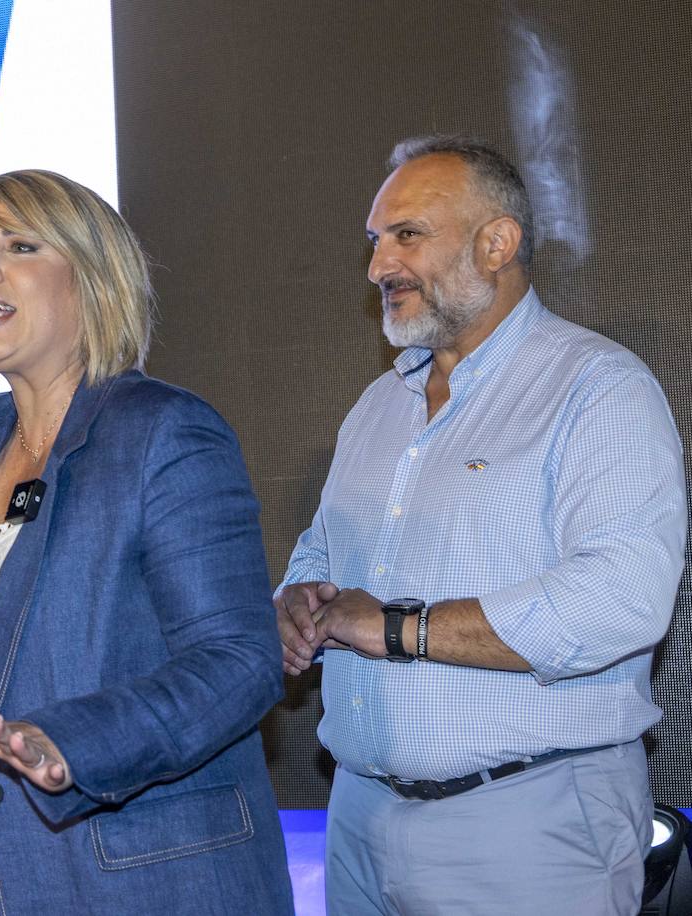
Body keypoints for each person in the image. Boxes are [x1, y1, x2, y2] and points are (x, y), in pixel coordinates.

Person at [0, 170, 294, 915]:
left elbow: (240, 663)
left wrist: (69, 743)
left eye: (19, 247)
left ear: (93, 278)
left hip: (139, 888)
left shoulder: (164, 432)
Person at [277, 135, 686, 915]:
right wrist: (298, 600)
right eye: (375, 240)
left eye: (407, 235)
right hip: (357, 818)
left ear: (497, 244)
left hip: (529, 827)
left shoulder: (598, 388)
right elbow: (322, 553)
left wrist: (396, 629)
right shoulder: (377, 406)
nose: (378, 266)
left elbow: (622, 600)